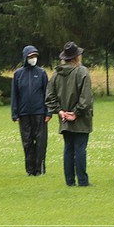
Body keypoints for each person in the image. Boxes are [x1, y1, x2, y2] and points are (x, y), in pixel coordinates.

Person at [45, 41, 93, 187]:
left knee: (68, 149)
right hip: (80, 118)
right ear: (76, 57)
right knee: (79, 149)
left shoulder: (56, 73)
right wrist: (76, 113)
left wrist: (59, 111)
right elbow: (86, 98)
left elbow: (49, 96)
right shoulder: (82, 72)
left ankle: (70, 181)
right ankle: (83, 181)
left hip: (64, 117)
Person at [11, 45, 50, 176]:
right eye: (31, 56)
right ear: (25, 57)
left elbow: (47, 94)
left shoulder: (42, 73)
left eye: (35, 56)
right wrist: (14, 113)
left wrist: (48, 112)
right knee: (27, 142)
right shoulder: (18, 74)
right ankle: (30, 169)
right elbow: (14, 95)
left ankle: (40, 169)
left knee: (40, 142)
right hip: (24, 114)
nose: (33, 59)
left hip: (40, 113)